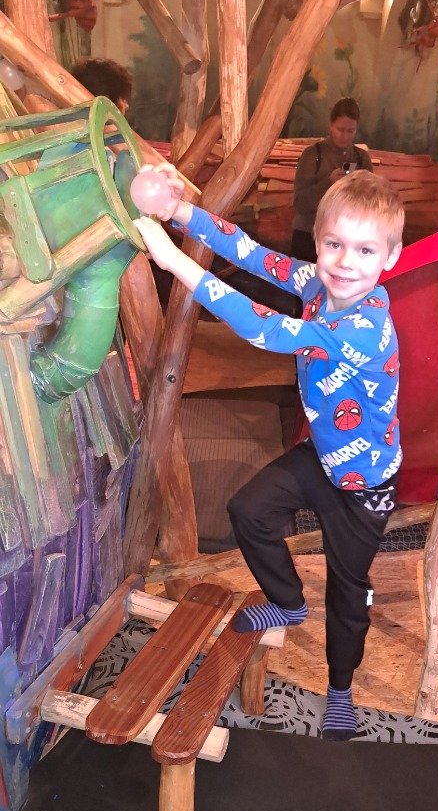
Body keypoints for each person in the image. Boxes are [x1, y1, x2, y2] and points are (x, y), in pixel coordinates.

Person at [135, 165, 404, 741]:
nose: (345, 262)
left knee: (348, 593)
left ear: (390, 257)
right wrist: (180, 212)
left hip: (363, 485)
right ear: (319, 242)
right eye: (334, 244)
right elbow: (252, 253)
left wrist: (175, 261)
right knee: (249, 511)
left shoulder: (363, 325)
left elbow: (269, 331)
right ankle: (287, 601)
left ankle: (339, 690)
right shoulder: (320, 287)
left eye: (364, 250)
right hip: (322, 457)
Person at [291, 98, 373, 262]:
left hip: (347, 239)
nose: (344, 136)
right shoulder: (313, 155)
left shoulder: (361, 158)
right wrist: (329, 183)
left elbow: (370, 202)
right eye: (340, 129)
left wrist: (355, 185)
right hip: (308, 236)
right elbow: (300, 203)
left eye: (350, 131)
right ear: (330, 124)